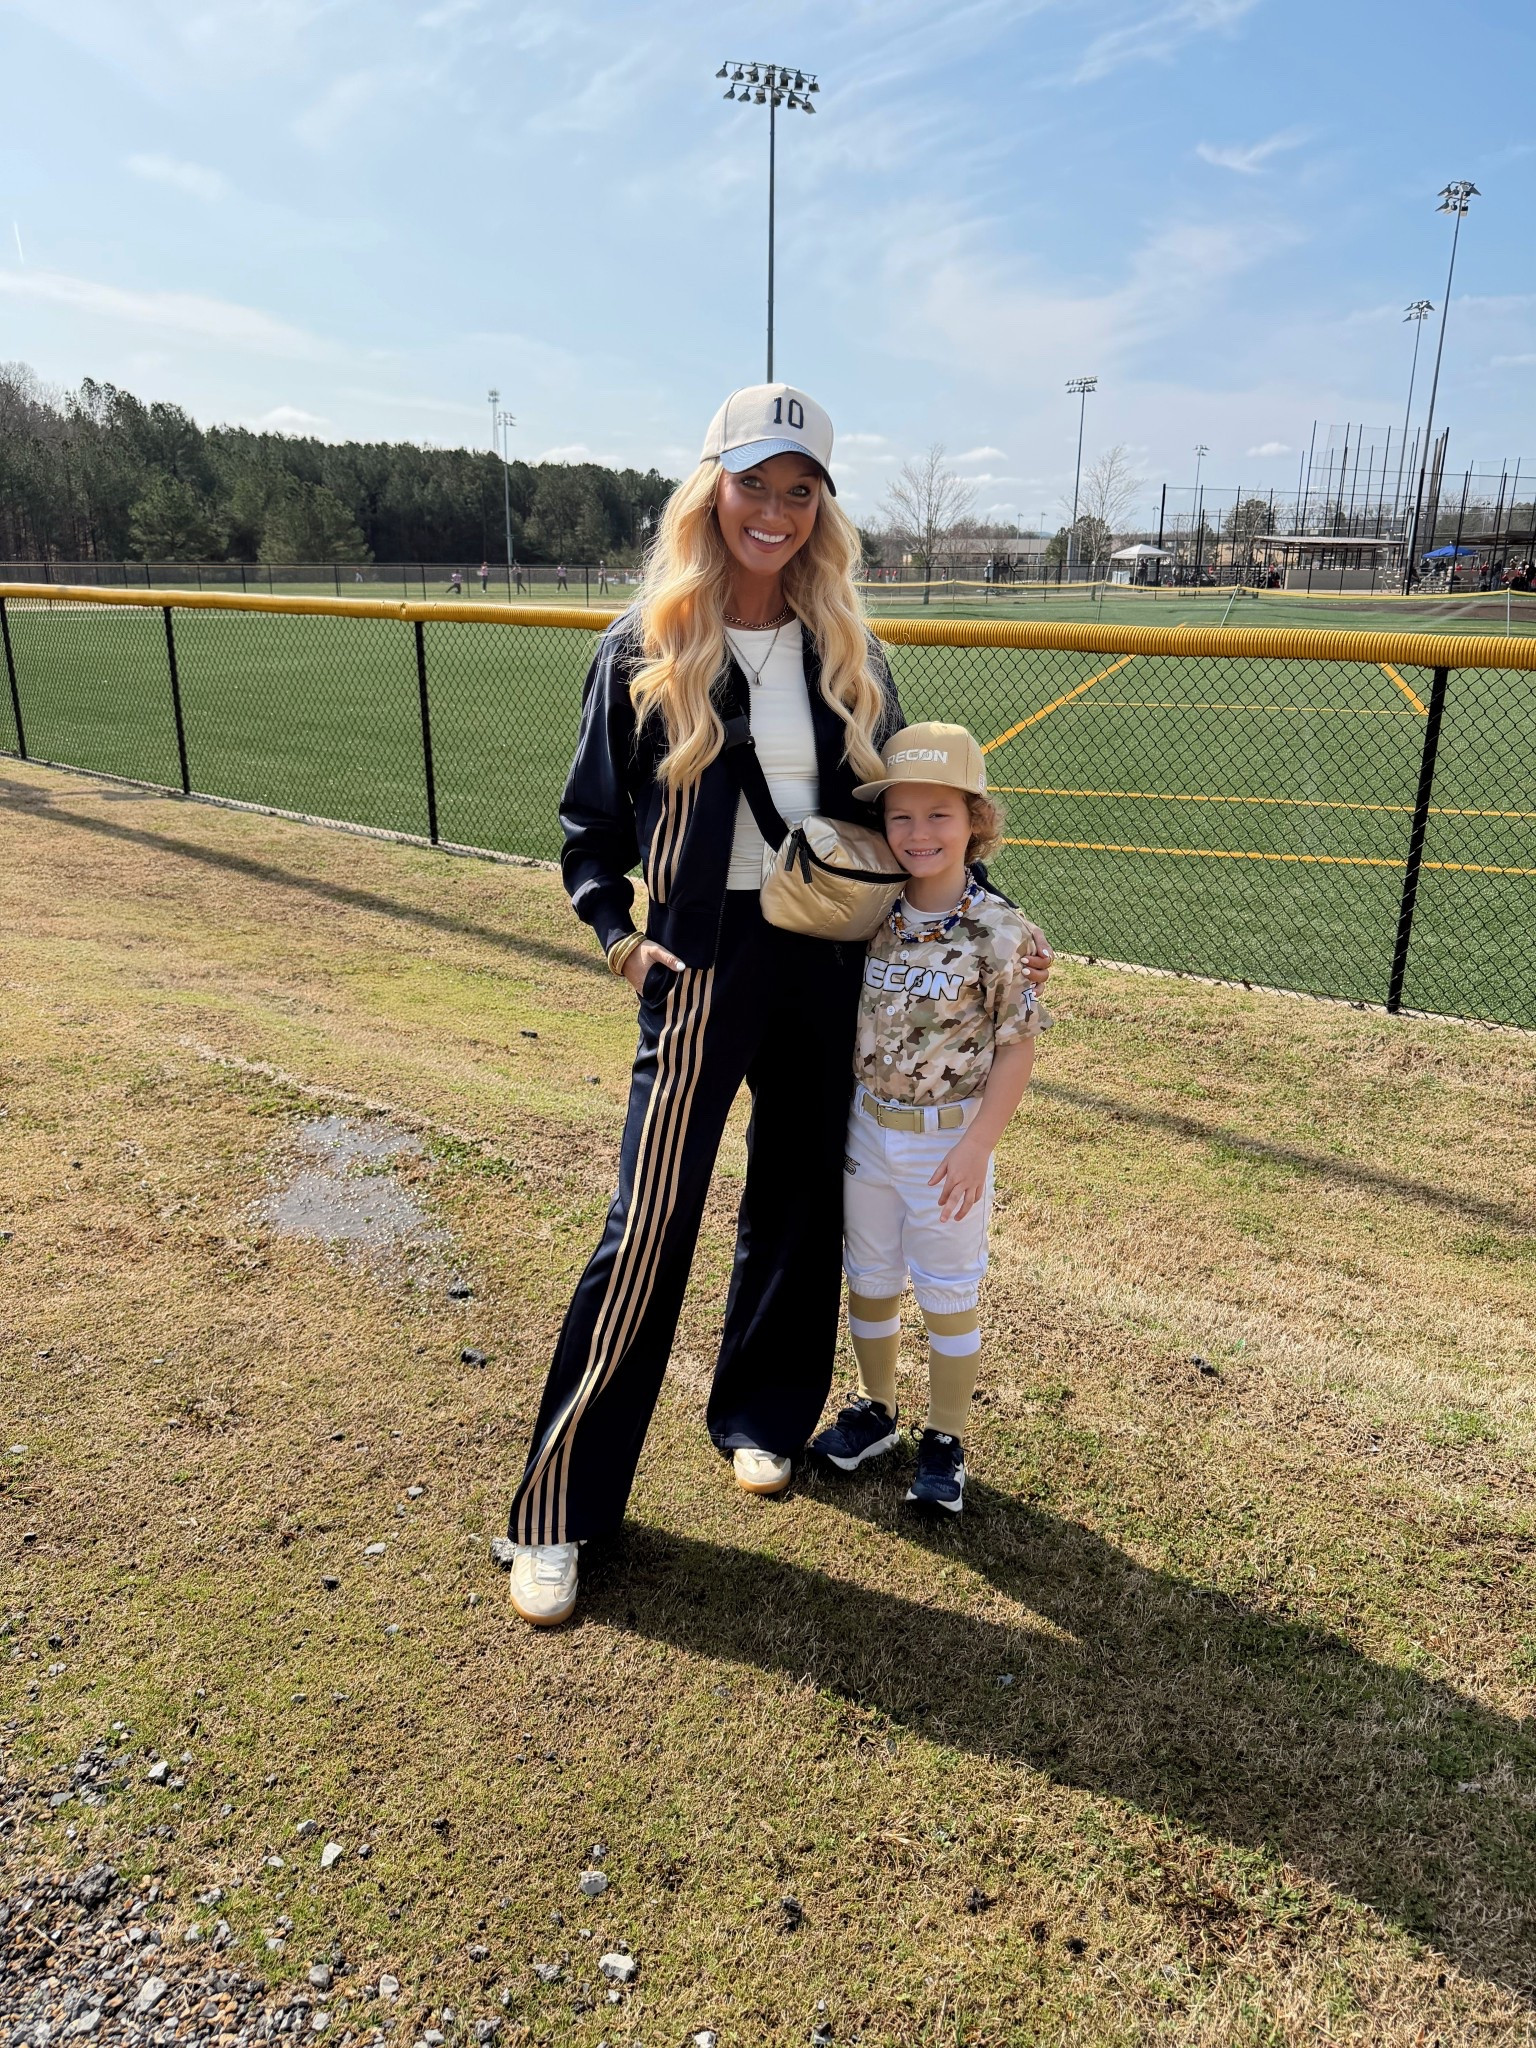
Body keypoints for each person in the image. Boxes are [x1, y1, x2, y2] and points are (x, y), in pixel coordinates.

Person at [504, 381, 1053, 1625]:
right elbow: (590, 828)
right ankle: (559, 1509)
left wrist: (998, 924)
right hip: (702, 965)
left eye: (802, 491)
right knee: (648, 1223)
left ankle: (761, 1415)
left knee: (802, 1198)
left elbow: (921, 821)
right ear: (712, 487)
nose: (777, 511)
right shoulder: (643, 642)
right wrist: (619, 941)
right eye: (756, 483)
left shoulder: (848, 651)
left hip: (834, 964)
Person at [811, 722, 1048, 1515]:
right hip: (867, 1127)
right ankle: (878, 1410)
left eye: (939, 815)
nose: (919, 833)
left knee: (948, 1289)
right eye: (902, 817)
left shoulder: (1002, 930)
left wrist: (980, 1145)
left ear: (975, 821)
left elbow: (1018, 1046)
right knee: (870, 1277)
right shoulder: (868, 910)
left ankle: (945, 1436)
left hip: (947, 1137)